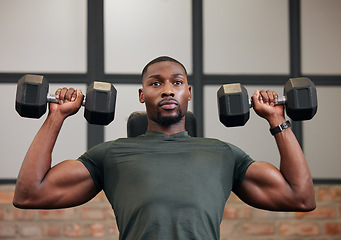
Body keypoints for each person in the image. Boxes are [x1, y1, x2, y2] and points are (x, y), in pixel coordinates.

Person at [13, 56, 316, 240]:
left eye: (177, 82)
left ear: (189, 93)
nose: (168, 89)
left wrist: (278, 118)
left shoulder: (223, 154)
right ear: (142, 95)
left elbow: (300, 197)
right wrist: (56, 116)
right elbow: (30, 193)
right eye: (156, 84)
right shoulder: (110, 155)